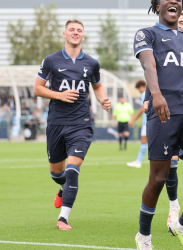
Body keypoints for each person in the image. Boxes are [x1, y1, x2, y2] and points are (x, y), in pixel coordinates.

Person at [133, 1, 183, 249]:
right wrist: (155, 94)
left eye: (178, 0)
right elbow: (148, 65)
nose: (174, 2)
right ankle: (144, 236)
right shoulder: (146, 34)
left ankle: (181, 226)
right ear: (157, 6)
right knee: (158, 179)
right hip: (163, 113)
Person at [33, 19, 112, 230]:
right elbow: (38, 89)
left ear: (83, 36)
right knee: (57, 174)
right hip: (56, 123)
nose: (75, 33)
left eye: (79, 30)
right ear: (64, 34)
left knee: (73, 169)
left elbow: (98, 86)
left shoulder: (92, 63)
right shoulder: (51, 60)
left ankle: (63, 218)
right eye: (72, 30)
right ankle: (61, 188)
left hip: (81, 123)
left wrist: (103, 99)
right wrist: (59, 95)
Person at [127, 80, 147, 168]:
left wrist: (133, 120)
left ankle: (138, 162)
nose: (139, 91)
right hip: (152, 122)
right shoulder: (152, 93)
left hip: (147, 122)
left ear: (141, 87)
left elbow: (142, 108)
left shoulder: (144, 94)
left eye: (139, 89)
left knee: (144, 141)